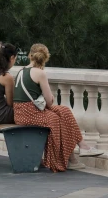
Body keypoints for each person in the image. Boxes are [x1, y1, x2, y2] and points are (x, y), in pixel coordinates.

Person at [13, 43, 100, 172]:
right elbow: (49, 102)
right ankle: (69, 159)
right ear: (45, 58)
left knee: (64, 111)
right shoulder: (40, 73)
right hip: (30, 113)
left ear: (29, 56)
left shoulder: (21, 70)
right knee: (57, 119)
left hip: (21, 112)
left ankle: (82, 146)